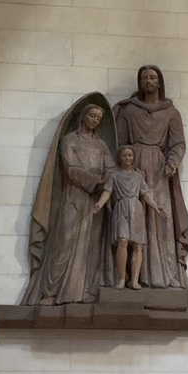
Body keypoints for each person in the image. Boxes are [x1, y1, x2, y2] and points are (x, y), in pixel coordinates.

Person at [21, 102, 115, 305]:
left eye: (98, 118)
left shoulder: (101, 145)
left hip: (96, 201)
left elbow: (111, 167)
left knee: (91, 247)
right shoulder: (70, 140)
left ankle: (84, 292)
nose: (95, 120)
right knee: (65, 242)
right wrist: (95, 180)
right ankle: (50, 292)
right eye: (92, 116)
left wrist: (107, 178)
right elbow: (71, 168)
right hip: (74, 196)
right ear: (84, 116)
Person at [114, 65, 188, 289]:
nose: (149, 81)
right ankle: (132, 277)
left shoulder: (171, 113)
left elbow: (178, 143)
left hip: (159, 168)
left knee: (161, 215)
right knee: (132, 218)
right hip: (133, 165)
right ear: (140, 82)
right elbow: (119, 142)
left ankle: (165, 274)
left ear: (159, 82)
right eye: (145, 77)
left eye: (153, 77)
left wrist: (172, 162)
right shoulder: (129, 111)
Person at [93, 145, 165, 290]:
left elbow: (146, 194)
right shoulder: (114, 175)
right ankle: (121, 279)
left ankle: (134, 280)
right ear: (120, 158)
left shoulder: (138, 176)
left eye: (130, 156)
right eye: (125, 155)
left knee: (138, 245)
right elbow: (107, 192)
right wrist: (100, 204)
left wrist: (156, 206)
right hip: (121, 208)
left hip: (136, 209)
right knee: (123, 241)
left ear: (133, 158)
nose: (127, 158)